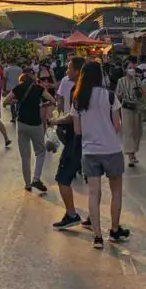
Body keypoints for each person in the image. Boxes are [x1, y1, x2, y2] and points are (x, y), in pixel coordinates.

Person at [71, 61, 129, 250]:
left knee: (93, 193)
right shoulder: (110, 96)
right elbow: (118, 126)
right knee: (116, 191)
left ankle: (97, 237)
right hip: (111, 149)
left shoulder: (78, 99)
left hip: (90, 151)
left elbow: (77, 129)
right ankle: (114, 230)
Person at [49, 56, 87, 230]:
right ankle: (94, 217)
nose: (66, 71)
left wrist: (56, 121)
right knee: (92, 182)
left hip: (76, 140)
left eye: (69, 68)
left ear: (78, 71)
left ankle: (72, 214)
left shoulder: (77, 92)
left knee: (62, 178)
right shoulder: (100, 91)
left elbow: (73, 118)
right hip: (93, 142)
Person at [3, 71, 54, 192]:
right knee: (40, 152)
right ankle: (36, 179)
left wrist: (16, 102)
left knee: (25, 156)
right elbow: (52, 100)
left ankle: (27, 184)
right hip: (35, 124)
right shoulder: (38, 88)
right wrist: (42, 104)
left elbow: (5, 101)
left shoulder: (18, 88)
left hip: (21, 123)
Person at [116, 64, 144, 168]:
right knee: (128, 130)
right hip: (126, 107)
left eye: (133, 68)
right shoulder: (121, 81)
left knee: (137, 130)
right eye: (130, 68)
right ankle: (130, 155)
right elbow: (117, 95)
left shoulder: (138, 80)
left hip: (137, 107)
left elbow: (142, 94)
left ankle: (133, 152)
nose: (132, 70)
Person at [2, 59, 23, 124]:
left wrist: (3, 89)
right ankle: (18, 115)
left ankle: (13, 117)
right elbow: (21, 79)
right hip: (18, 88)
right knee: (18, 102)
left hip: (9, 88)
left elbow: (4, 79)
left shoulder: (6, 69)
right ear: (15, 62)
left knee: (12, 103)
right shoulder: (20, 69)